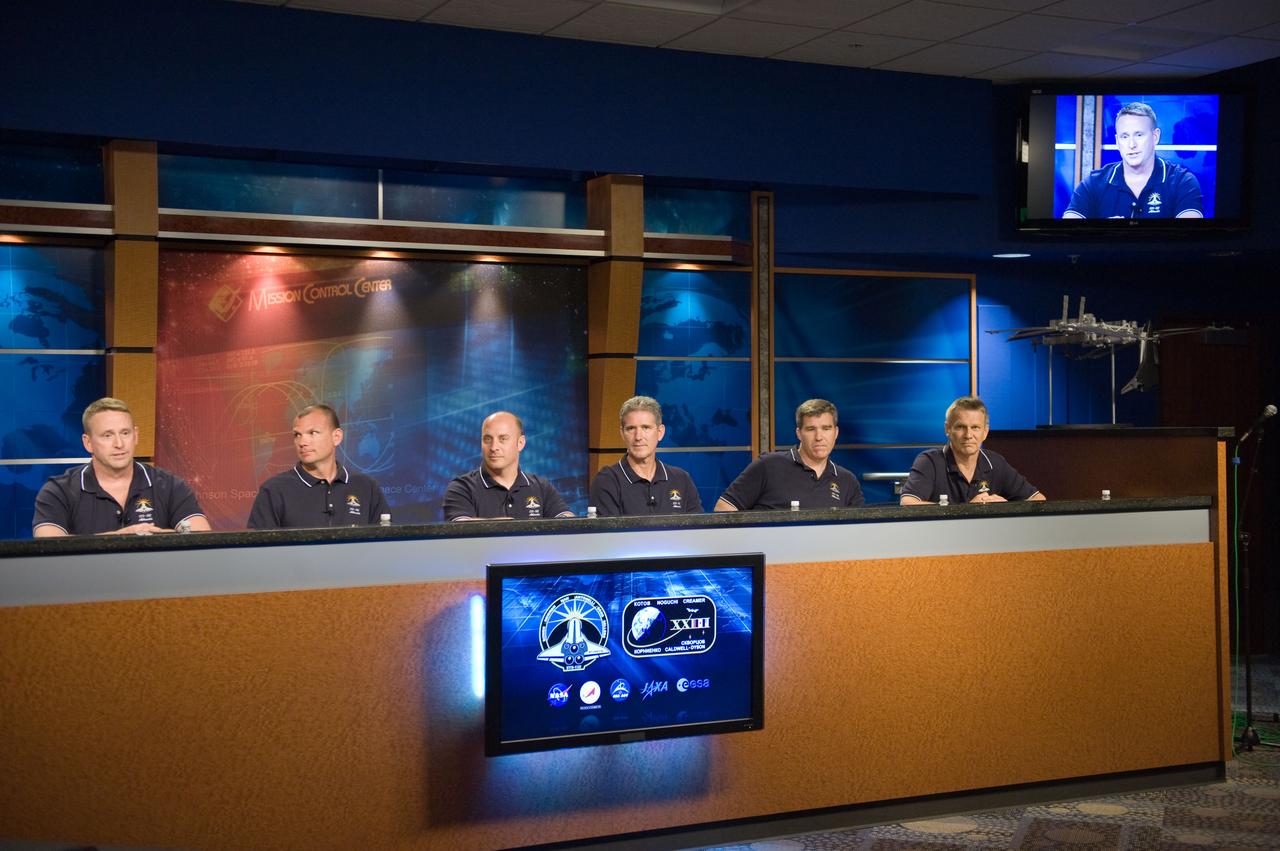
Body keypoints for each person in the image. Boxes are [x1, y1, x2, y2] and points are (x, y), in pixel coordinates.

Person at [33, 397, 211, 536]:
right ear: (88, 443)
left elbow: (201, 535)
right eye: (107, 435)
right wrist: (118, 538)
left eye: (125, 433)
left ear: (136, 436)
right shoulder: (58, 491)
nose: (119, 443)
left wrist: (144, 536)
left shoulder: (170, 486)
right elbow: (49, 545)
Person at [248, 404, 389, 528]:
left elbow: (385, 547)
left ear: (337, 437)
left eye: (312, 433)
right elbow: (258, 552)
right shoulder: (274, 490)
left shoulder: (366, 487)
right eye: (297, 435)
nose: (302, 442)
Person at [715, 398, 863, 511]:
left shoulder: (847, 481)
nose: (819, 437)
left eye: (826, 429)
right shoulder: (768, 466)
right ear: (799, 433)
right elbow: (724, 509)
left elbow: (859, 532)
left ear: (836, 433)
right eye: (811, 429)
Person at [1063, 102, 1203, 220]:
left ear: (1155, 137)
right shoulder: (1093, 183)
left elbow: (1190, 237)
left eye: (1139, 135)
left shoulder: (1182, 181)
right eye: (1124, 136)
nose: (1131, 145)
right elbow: (1066, 233)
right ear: (1117, 141)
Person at [900, 396, 1045, 505]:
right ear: (947, 429)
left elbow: (1038, 500)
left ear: (985, 432)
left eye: (975, 427)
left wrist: (1005, 507)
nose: (968, 435)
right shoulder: (929, 461)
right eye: (960, 427)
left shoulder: (996, 462)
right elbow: (908, 503)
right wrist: (967, 509)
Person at [443, 411, 574, 521]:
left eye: (503, 439)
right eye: (487, 439)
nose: (494, 447)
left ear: (521, 443)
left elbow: (567, 523)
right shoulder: (461, 488)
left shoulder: (541, 487)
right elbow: (461, 530)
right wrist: (506, 526)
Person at [589, 396, 703, 516]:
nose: (638, 437)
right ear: (622, 434)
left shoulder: (681, 479)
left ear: (660, 433)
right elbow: (609, 534)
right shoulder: (607, 481)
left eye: (646, 427)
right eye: (631, 428)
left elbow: (698, 531)